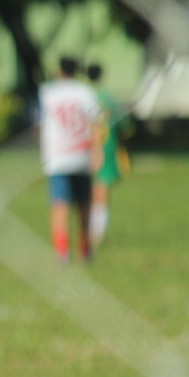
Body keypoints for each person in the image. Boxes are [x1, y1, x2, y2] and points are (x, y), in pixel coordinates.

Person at [38, 56, 102, 263]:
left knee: (60, 204)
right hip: (81, 153)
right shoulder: (86, 93)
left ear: (59, 71)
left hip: (58, 156)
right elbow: (96, 124)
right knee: (85, 204)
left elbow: (38, 122)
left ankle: (62, 251)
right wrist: (97, 152)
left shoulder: (47, 92)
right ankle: (85, 248)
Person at [86, 63, 133, 247]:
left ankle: (89, 231)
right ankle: (98, 232)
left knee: (89, 192)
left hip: (86, 149)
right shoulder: (109, 98)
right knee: (102, 192)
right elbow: (126, 126)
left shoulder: (83, 96)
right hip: (107, 146)